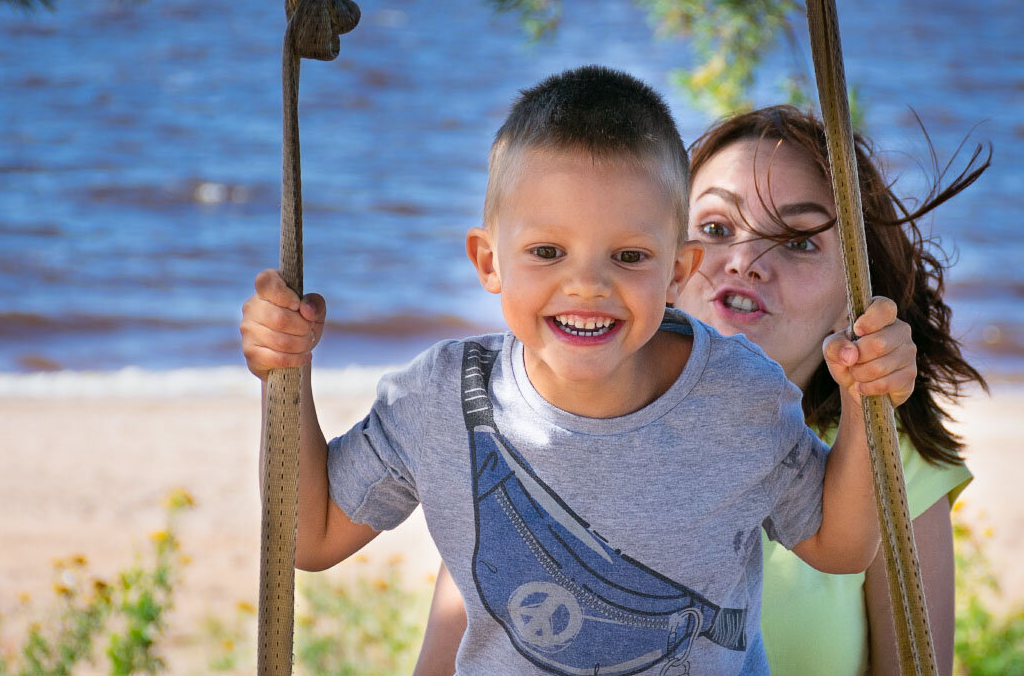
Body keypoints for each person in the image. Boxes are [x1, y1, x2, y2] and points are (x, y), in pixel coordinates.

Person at [241, 68, 913, 675]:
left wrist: (865, 401)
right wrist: (285, 375)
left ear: (677, 271)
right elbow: (313, 534)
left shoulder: (738, 397)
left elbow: (841, 546)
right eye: (547, 251)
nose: (586, 284)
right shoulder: (442, 399)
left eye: (627, 256)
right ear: (488, 262)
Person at [412, 105, 988, 676]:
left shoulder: (889, 464)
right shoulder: (540, 424)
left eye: (797, 241)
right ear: (665, 258)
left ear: (852, 289)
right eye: (716, 229)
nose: (745, 262)